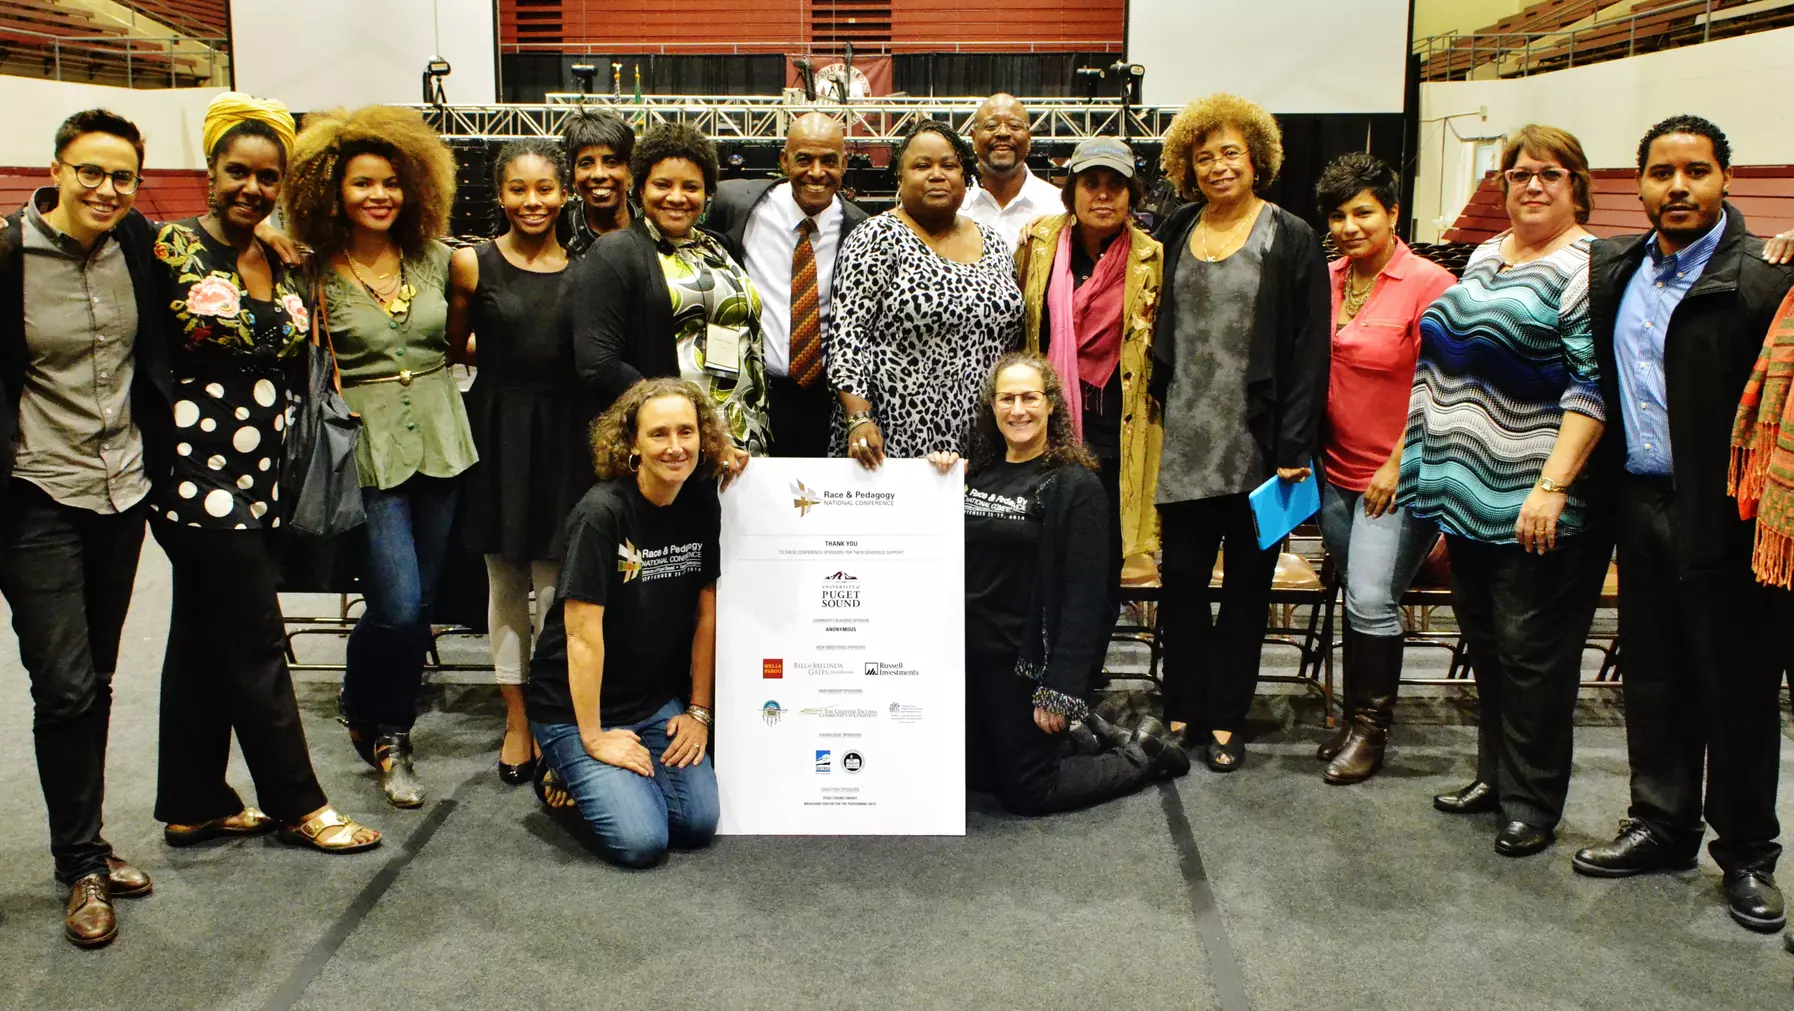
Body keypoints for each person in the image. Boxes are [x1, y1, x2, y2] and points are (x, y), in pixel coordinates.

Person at [149, 93, 385, 864]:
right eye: (237, 172)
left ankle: (192, 802)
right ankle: (298, 804)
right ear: (208, 171)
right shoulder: (166, 249)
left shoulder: (281, 257)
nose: (252, 187)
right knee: (255, 639)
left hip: (264, 474)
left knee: (199, 637)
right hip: (192, 473)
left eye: (267, 176)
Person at [1573, 116, 1794, 932]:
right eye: (1662, 173)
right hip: (1639, 498)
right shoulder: (1618, 265)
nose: (1679, 187)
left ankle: (1747, 853)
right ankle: (1661, 824)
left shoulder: (1766, 273)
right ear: (1639, 184)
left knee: (1735, 686)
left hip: (1726, 513)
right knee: (1655, 675)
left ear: (1726, 178)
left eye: (1696, 171)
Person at [1401, 125, 1611, 858]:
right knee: (1489, 647)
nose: (1531, 186)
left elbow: (1592, 389)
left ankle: (1533, 799)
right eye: (1518, 174)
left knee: (1534, 658)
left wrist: (1552, 487)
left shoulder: (1586, 269)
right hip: (1468, 498)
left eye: (1549, 174)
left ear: (1577, 185)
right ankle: (1495, 776)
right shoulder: (1488, 254)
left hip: (1534, 504)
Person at [0, 108, 165, 948]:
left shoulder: (137, 243)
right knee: (63, 685)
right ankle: (80, 866)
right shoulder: (8, 257)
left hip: (121, 492)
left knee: (95, 680)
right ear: (57, 168)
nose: (107, 189)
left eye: (123, 177)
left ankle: (89, 840)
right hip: (36, 495)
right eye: (91, 172)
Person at [282, 104, 471, 809]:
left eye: (391, 182)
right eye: (363, 183)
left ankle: (387, 724)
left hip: (444, 441)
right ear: (331, 191)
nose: (379, 195)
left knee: (423, 605)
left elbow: (464, 339)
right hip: (366, 448)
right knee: (395, 603)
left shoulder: (441, 258)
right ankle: (373, 714)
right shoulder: (312, 272)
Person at [1146, 93, 1330, 772]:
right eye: (1204, 155)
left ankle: (1227, 718)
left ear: (1257, 158)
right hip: (1184, 443)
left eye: (1230, 152)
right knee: (1182, 587)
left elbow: (1312, 350)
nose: (1218, 165)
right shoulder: (1173, 230)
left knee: (1248, 592)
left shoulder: (1292, 236)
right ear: (1187, 166)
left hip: (1260, 450)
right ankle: (1182, 705)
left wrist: (1294, 446)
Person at [927, 353, 1187, 814]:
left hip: (1022, 666)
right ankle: (1080, 736)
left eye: (1030, 397)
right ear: (992, 407)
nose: (1018, 410)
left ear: (1051, 406)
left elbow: (1088, 599)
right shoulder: (975, 475)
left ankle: (1141, 753)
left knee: (1028, 792)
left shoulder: (1075, 486)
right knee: (971, 778)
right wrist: (935, 478)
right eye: (1007, 398)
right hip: (967, 661)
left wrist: (1061, 689)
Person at [527, 377, 721, 867]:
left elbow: (706, 612)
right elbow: (581, 635)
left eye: (687, 431)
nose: (676, 447)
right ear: (632, 442)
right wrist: (592, 736)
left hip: (653, 701)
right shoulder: (602, 513)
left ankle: (617, 780)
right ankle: (557, 769)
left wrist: (698, 712)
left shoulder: (701, 500)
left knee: (697, 825)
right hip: (574, 708)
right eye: (659, 434)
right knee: (641, 842)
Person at [1310, 153, 1456, 785]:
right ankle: (1351, 721)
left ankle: (1371, 732)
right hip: (1334, 473)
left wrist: (1397, 463)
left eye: (1363, 212)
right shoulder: (1330, 277)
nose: (1349, 226)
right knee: (1360, 596)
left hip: (1396, 475)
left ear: (1393, 213)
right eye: (1339, 215)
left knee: (1371, 599)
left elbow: (1441, 386)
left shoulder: (1429, 284)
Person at [448, 138, 585, 785]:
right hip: (499, 431)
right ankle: (517, 720)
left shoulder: (586, 269)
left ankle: (558, 716)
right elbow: (456, 345)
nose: (532, 201)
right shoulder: (470, 266)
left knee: (559, 588)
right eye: (518, 189)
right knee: (506, 583)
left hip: (566, 436)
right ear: (500, 194)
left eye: (544, 189)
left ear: (565, 194)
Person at [1013, 136, 1163, 600]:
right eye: (1091, 183)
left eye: (1115, 185)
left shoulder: (1152, 258)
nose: (1102, 194)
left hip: (1119, 431)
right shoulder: (1038, 246)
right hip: (1050, 429)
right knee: (1043, 553)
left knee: (1103, 561)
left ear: (1131, 195)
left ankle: (1088, 665)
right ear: (1071, 191)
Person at [567, 124, 763, 476]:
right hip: (673, 448)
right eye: (663, 185)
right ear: (640, 188)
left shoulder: (720, 247)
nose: (677, 197)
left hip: (742, 431)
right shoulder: (616, 252)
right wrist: (690, 429)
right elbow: (598, 364)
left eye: (691, 186)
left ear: (707, 194)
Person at [828, 121, 1024, 468]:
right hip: (893, 440)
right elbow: (848, 336)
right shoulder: (875, 237)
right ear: (899, 178)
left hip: (984, 438)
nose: (937, 175)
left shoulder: (994, 243)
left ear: (966, 177)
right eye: (922, 166)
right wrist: (858, 418)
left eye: (949, 165)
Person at [706, 113, 870, 458]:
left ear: (844, 162)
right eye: (804, 159)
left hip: (827, 401)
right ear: (784, 161)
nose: (816, 172)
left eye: (828, 161)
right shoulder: (735, 205)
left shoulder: (862, 228)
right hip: (755, 392)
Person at [963, 93, 1063, 251]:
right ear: (973, 138)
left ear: (1029, 139)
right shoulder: (954, 204)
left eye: (1014, 126)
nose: (1003, 133)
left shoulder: (1057, 206)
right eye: (991, 126)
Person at [559, 108, 634, 259]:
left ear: (630, 173)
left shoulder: (654, 233)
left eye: (611, 162)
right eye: (586, 163)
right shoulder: (558, 238)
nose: (599, 174)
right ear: (573, 177)